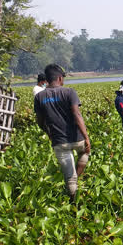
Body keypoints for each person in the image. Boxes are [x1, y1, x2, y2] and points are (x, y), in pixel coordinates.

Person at [34, 64, 91, 201]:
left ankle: (73, 201)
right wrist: (86, 137)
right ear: (59, 78)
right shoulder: (69, 92)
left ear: (47, 79)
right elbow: (77, 115)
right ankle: (77, 180)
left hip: (58, 141)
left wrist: (48, 133)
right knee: (85, 152)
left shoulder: (39, 97)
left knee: (69, 179)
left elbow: (40, 121)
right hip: (77, 138)